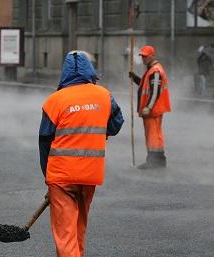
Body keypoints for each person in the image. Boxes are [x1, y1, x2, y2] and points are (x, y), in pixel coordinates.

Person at [39, 50, 124, 257]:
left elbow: (44, 142)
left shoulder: (55, 100)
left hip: (62, 177)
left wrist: (48, 179)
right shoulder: (104, 95)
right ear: (90, 72)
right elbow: (116, 124)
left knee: (65, 233)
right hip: (90, 175)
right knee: (78, 227)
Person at [130, 45, 171, 169]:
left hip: (153, 110)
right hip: (152, 110)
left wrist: (148, 107)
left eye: (145, 56)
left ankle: (154, 162)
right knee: (154, 135)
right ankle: (158, 160)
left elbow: (155, 92)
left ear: (152, 56)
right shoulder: (151, 70)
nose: (143, 59)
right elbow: (145, 86)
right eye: (142, 56)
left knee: (153, 136)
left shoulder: (155, 71)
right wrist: (134, 78)